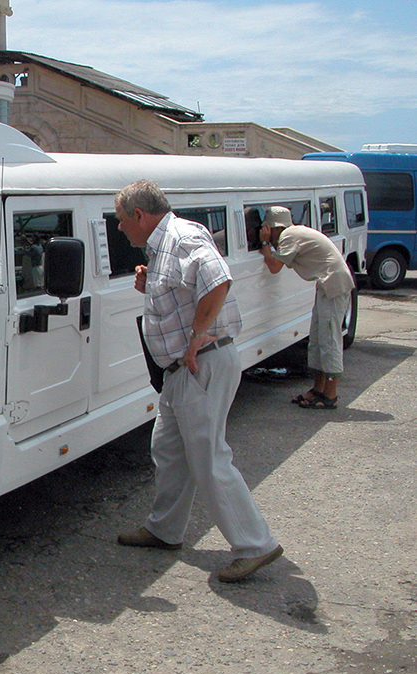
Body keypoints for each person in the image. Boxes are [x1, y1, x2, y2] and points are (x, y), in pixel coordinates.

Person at [114, 180, 283, 583]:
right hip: (182, 371)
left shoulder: (183, 236)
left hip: (198, 364)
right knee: (169, 450)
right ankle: (164, 530)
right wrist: (148, 281)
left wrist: (193, 342)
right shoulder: (163, 245)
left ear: (139, 215)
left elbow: (218, 281)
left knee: (208, 457)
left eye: (121, 220)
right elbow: (184, 290)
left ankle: (255, 544)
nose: (119, 228)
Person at [260, 206, 354, 410]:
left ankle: (330, 394)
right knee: (318, 339)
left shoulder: (288, 236)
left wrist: (265, 243)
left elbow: (274, 267)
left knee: (329, 339)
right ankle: (318, 389)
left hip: (333, 286)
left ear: (273, 228)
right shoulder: (294, 233)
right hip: (328, 285)